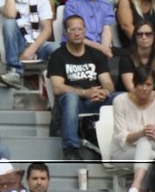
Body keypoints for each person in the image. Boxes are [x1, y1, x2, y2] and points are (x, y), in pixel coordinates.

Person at [47, 13, 114, 160]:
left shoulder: (96, 54)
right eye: (72, 30)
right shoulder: (58, 56)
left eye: (80, 29)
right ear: (65, 33)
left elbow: (108, 83)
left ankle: (120, 144)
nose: (77, 33)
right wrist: (84, 92)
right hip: (73, 103)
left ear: (85, 31)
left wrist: (104, 91)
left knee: (121, 98)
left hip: (96, 100)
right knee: (70, 97)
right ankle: (70, 149)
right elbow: (57, 88)